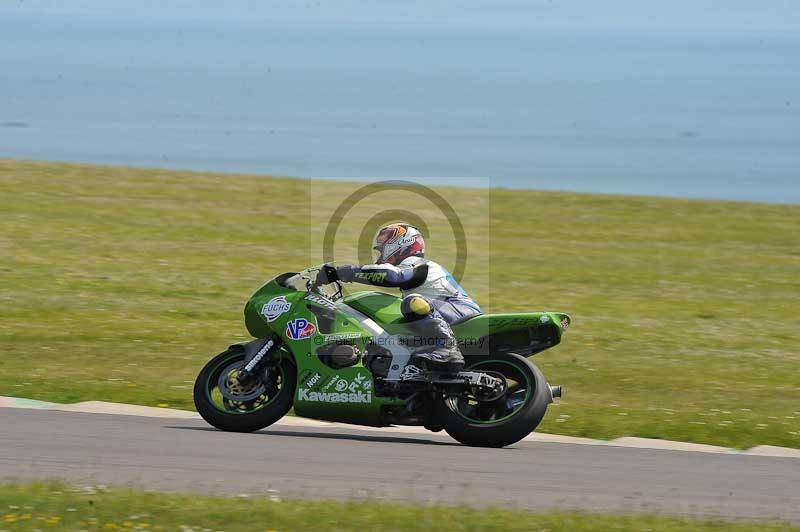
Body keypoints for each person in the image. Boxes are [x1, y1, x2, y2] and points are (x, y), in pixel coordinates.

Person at [315, 223, 482, 377]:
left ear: (400, 245)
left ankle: (446, 349)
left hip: (462, 312)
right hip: (445, 315)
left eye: (383, 248)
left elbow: (393, 276)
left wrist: (344, 272)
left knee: (412, 303)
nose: (380, 256)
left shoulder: (420, 265)